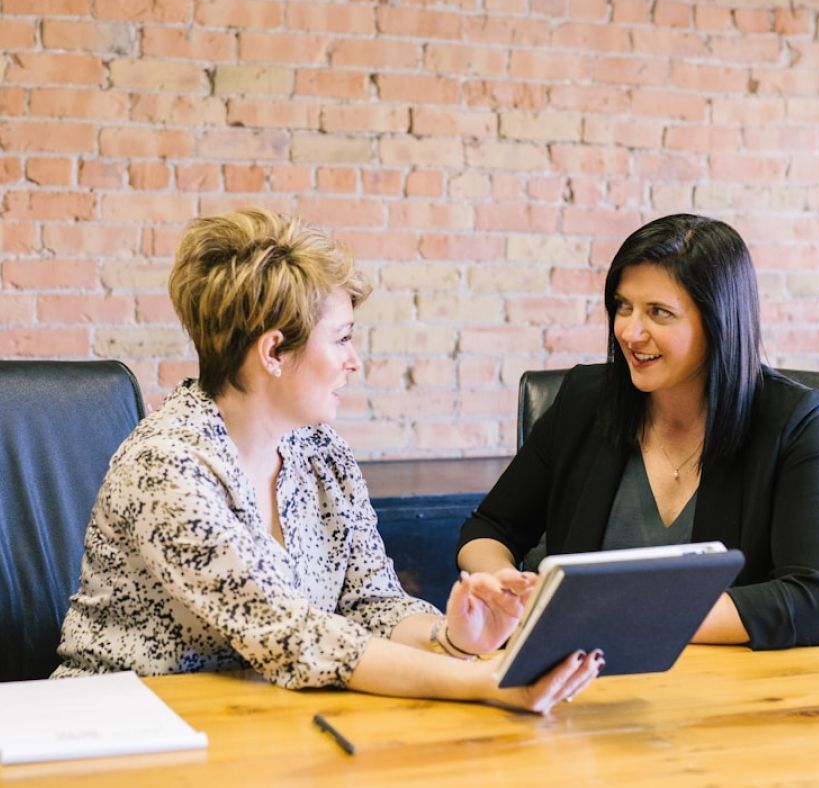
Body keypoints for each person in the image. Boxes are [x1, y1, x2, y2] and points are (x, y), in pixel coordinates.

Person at [54, 208, 602, 713]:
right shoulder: (167, 466)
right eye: (341, 339)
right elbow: (293, 635)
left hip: (262, 719)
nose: (354, 362)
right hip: (118, 727)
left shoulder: (321, 452)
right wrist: (485, 682)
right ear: (273, 352)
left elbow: (372, 602)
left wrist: (454, 638)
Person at [458, 213, 819, 650]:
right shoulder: (584, 401)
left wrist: (620, 617)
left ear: (718, 321)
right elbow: (488, 528)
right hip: (580, 678)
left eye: (659, 313)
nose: (630, 331)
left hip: (732, 686)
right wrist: (503, 585)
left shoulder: (796, 421)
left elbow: (814, 597)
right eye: (623, 307)